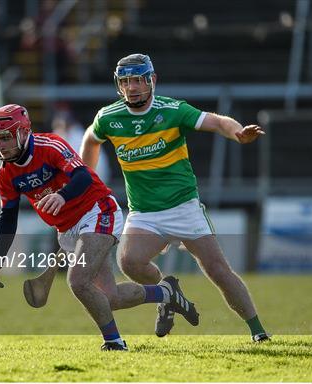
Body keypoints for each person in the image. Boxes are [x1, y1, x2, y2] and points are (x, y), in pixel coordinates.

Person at [80, 53, 270, 342]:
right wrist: (86, 181)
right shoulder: (109, 117)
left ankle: (258, 332)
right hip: (144, 213)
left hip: (184, 208)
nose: (132, 87)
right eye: (125, 81)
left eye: (138, 80)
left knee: (218, 271)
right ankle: (168, 294)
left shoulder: (173, 110)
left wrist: (238, 132)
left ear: (152, 80)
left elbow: (217, 122)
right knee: (129, 262)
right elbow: (91, 140)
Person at [0, 104, 200, 351]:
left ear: (22, 132)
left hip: (97, 210)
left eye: (5, 137)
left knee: (78, 281)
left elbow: (83, 175)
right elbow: (8, 217)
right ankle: (166, 293)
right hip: (68, 228)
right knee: (110, 298)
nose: (0, 145)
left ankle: (114, 343)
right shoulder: (6, 175)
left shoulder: (50, 145)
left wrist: (62, 196)